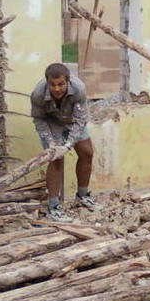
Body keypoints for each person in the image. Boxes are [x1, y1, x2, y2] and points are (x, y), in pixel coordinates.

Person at [31, 63, 98, 222]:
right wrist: (51, 143)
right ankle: (53, 207)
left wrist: (68, 145)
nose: (57, 89)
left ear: (68, 81)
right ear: (47, 82)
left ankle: (82, 196)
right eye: (52, 85)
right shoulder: (38, 95)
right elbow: (39, 120)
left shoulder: (79, 89)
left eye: (61, 84)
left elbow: (81, 120)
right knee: (56, 160)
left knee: (87, 152)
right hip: (51, 122)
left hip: (72, 119)